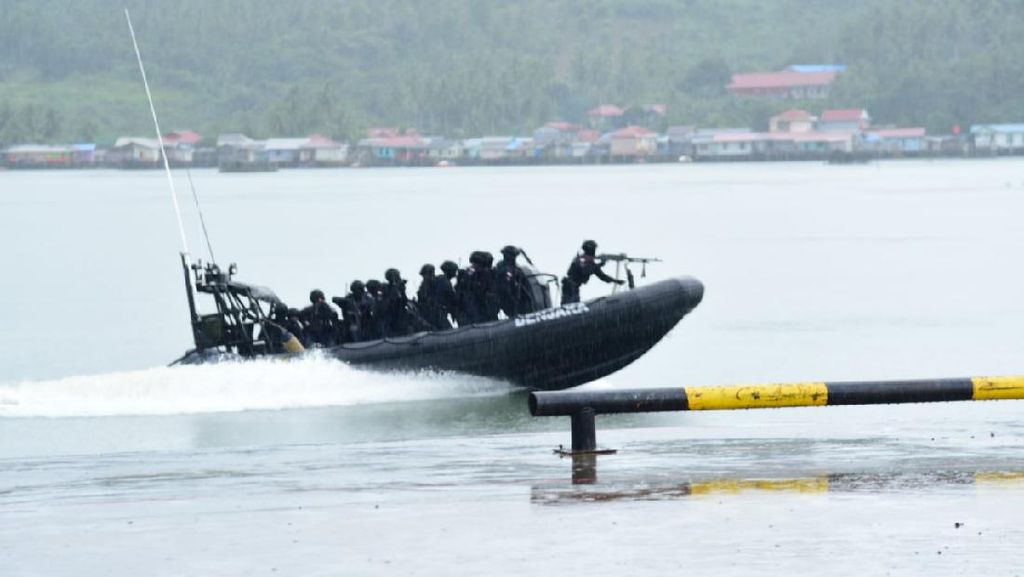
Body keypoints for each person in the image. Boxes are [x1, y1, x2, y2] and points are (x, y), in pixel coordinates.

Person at [561, 240, 624, 304]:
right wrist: (600, 264)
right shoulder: (579, 260)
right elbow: (584, 271)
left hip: (575, 287)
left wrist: (616, 281)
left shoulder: (590, 264)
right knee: (569, 306)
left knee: (575, 305)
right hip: (569, 286)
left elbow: (603, 277)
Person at [493, 245, 532, 318]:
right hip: (506, 298)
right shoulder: (501, 269)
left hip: (517, 298)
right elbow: (504, 288)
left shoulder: (517, 270)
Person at [416, 264, 451, 330]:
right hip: (428, 314)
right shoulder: (423, 286)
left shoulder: (440, 281)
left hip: (439, 311)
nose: (424, 277)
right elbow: (421, 300)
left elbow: (444, 296)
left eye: (426, 275)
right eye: (423, 275)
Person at [380, 268, 411, 337]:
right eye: (397, 276)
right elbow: (390, 301)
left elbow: (404, 300)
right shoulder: (387, 288)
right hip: (392, 317)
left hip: (402, 315)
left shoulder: (400, 287)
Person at [438, 260, 460, 326]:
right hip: (441, 311)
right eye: (454, 271)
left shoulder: (443, 280)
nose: (455, 273)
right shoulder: (444, 281)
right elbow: (451, 297)